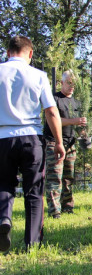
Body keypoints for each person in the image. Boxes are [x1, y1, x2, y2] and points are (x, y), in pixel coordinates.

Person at [0, 36, 65, 252]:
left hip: (2, 138)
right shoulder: (38, 75)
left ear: (8, 52)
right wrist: (59, 142)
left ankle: (3, 219)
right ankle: (32, 242)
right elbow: (51, 110)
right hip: (31, 138)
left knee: (4, 185)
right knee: (34, 190)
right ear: (30, 54)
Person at [43, 70, 87, 218]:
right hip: (53, 143)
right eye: (68, 82)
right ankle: (54, 211)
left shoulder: (76, 102)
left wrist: (84, 134)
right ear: (61, 83)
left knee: (68, 178)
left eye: (73, 83)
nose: (71, 86)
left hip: (70, 144)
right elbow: (53, 119)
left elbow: (80, 124)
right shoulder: (54, 98)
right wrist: (75, 121)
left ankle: (68, 207)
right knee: (55, 178)